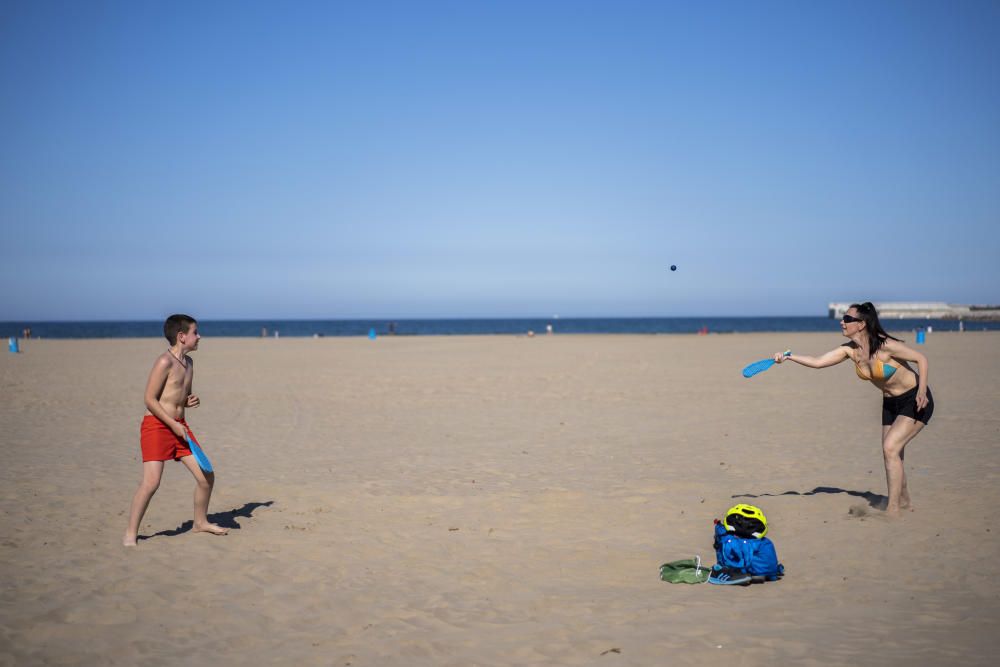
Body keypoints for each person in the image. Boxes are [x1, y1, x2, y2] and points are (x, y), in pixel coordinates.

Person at [773, 302, 933, 517]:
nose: (842, 322)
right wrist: (789, 357)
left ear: (862, 324)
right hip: (889, 403)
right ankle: (904, 501)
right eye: (843, 318)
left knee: (890, 448)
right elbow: (819, 361)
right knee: (892, 453)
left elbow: (921, 359)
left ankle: (893, 510)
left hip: (915, 399)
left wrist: (922, 391)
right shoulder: (849, 350)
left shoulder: (885, 345)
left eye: (847, 319)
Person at [123, 314, 227, 546]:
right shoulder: (164, 362)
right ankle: (131, 533)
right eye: (195, 332)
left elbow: (179, 395)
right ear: (182, 337)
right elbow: (149, 399)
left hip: (181, 427)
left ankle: (199, 522)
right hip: (158, 426)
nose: (199, 336)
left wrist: (190, 400)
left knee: (206, 477)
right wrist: (172, 424)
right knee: (151, 482)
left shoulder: (189, 364)